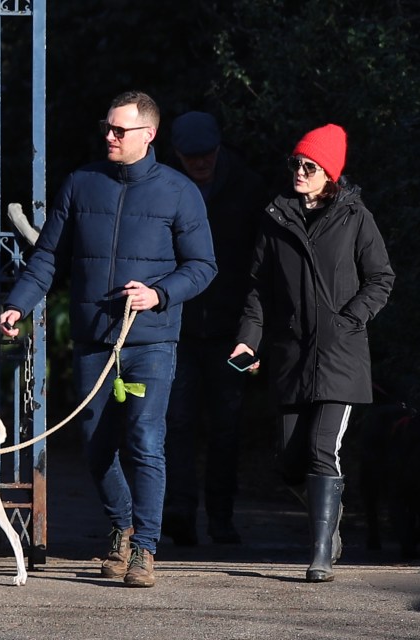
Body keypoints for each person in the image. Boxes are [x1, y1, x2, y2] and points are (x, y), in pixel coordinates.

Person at [0, 91, 217, 588]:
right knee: (96, 448)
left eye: (120, 130)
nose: (110, 136)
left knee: (144, 440)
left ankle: (144, 549)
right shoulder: (81, 184)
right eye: (108, 127)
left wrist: (159, 294)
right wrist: (18, 302)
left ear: (149, 134)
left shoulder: (180, 192)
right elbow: (48, 257)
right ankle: (123, 524)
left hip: (152, 342)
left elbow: (203, 266)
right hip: (95, 339)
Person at [231, 124, 394, 582]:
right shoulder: (275, 216)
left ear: (330, 174)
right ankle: (330, 524)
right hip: (289, 354)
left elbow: (381, 277)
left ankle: (320, 552)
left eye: (310, 166)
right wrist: (249, 338)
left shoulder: (356, 217)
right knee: (288, 460)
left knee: (324, 448)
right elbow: (259, 289)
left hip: (340, 356)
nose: (299, 172)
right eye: (296, 164)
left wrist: (349, 320)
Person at [162, 111, 267, 546]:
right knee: (178, 423)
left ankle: (221, 516)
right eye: (191, 157)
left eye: (206, 155)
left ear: (219, 149)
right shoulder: (165, 186)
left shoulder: (248, 188)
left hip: (228, 327)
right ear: (177, 154)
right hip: (179, 325)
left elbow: (260, 264)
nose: (199, 163)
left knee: (227, 426)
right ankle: (181, 514)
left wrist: (253, 331)